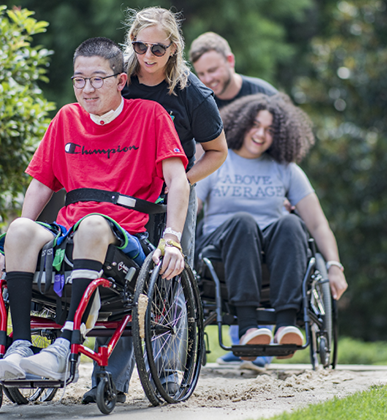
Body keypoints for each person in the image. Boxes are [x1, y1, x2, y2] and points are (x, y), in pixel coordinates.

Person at [0, 37, 189, 382]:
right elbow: (40, 184)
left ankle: (66, 344)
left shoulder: (150, 116)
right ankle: (19, 345)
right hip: (69, 232)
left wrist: (172, 238)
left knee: (94, 224)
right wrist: (10, 247)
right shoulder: (67, 117)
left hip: (122, 237)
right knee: (19, 229)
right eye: (79, 79)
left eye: (98, 79)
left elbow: (178, 180)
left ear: (121, 81)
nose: (88, 88)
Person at [82, 7, 227, 404]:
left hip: (171, 195)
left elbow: (217, 152)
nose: (147, 55)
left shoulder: (190, 92)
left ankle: (167, 371)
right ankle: (107, 380)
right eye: (140, 45)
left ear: (173, 48)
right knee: (118, 282)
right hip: (122, 191)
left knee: (167, 280)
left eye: (157, 48)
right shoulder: (120, 81)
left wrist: (178, 182)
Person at [195, 93, 348, 360]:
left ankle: (286, 324)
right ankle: (247, 328)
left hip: (272, 260)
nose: (260, 134)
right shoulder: (218, 161)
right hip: (220, 257)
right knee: (243, 222)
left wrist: (334, 266)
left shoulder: (286, 169)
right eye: (255, 125)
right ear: (241, 124)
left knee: (291, 223)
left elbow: (317, 223)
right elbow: (190, 209)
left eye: (270, 130)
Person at [190, 31, 276, 371]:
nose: (209, 79)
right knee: (236, 229)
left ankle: (257, 340)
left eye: (214, 70)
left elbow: (286, 147)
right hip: (220, 194)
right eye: (203, 74)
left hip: (263, 193)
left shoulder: (264, 94)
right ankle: (246, 339)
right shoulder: (200, 99)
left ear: (230, 61)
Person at [189, 32, 277, 109]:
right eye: (201, 74)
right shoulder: (198, 105)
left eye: (212, 70)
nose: (208, 79)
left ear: (230, 61)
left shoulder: (266, 95)